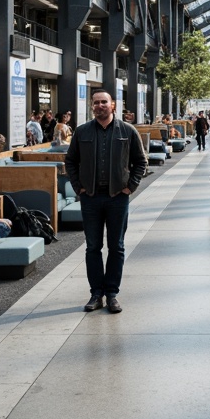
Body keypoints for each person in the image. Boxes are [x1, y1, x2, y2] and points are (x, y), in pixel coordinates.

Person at [65, 89, 146, 313]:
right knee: (93, 247)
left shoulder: (127, 131)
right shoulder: (82, 132)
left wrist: (131, 186)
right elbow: (70, 161)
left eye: (104, 102)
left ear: (113, 106)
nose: (100, 105)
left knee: (116, 247)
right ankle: (96, 294)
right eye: (96, 102)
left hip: (117, 198)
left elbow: (140, 161)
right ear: (92, 106)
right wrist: (78, 187)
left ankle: (112, 294)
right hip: (90, 198)